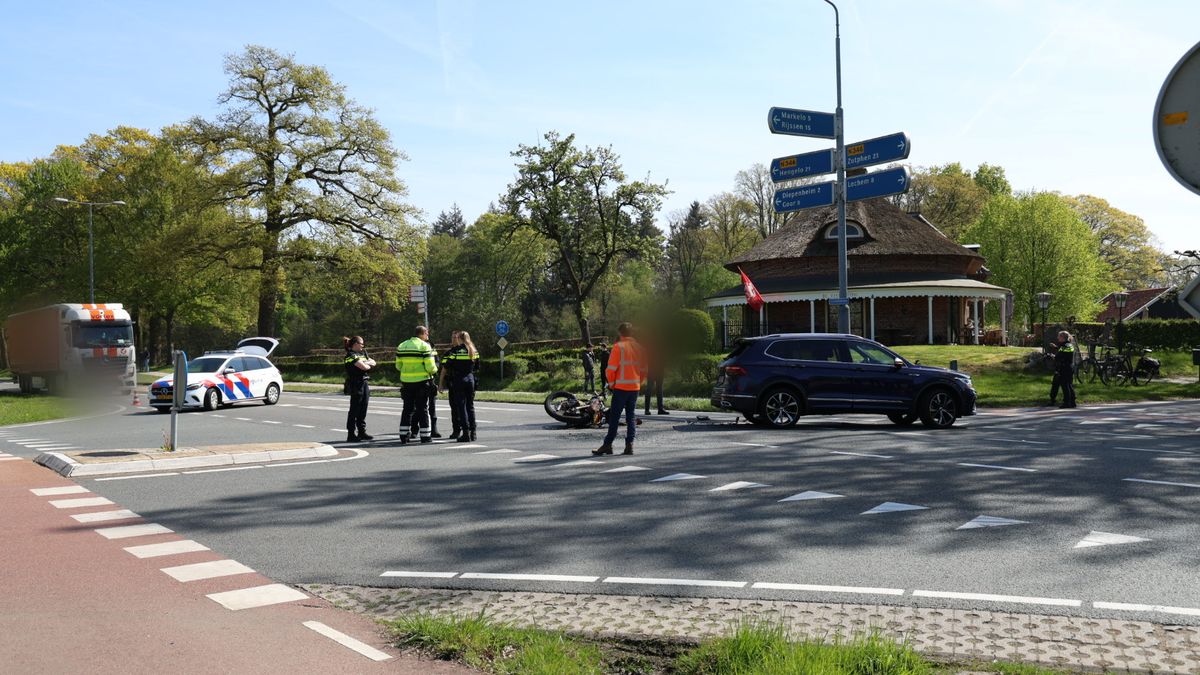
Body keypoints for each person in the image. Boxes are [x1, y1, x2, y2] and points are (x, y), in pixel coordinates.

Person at [593, 322, 645, 456]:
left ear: (620, 333)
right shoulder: (639, 348)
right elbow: (644, 369)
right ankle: (629, 446)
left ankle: (607, 445)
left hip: (620, 388)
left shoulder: (618, 347)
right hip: (634, 387)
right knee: (631, 417)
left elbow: (610, 370)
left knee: (614, 417)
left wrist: (611, 384)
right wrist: (638, 382)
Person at [395, 325, 438, 444]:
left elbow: (398, 366)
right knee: (423, 409)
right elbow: (430, 367)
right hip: (422, 382)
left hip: (406, 383)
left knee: (407, 409)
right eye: (427, 334)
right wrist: (435, 370)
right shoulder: (425, 346)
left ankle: (403, 435)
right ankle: (425, 436)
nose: (427, 336)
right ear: (423, 333)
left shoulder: (402, 345)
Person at [441, 330, 480, 442]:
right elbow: (477, 367)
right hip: (470, 380)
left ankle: (466, 433)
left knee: (461, 407)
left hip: (459, 380)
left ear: (460, 339)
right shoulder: (474, 351)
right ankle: (473, 433)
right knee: (470, 406)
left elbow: (447, 365)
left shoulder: (456, 351)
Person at [343, 335, 377, 442]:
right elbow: (365, 367)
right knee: (354, 410)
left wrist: (366, 363)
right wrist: (367, 363)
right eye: (362, 344)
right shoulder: (350, 355)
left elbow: (374, 362)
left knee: (363, 408)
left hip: (364, 383)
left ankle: (362, 432)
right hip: (356, 384)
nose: (363, 346)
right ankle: (351, 434)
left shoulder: (362, 354)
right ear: (356, 344)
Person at [1048, 330, 1077, 409]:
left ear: (1062, 337)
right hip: (1069, 367)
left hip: (1064, 368)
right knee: (1068, 384)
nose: (1057, 338)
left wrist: (1052, 356)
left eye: (1059, 336)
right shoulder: (1068, 345)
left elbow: (1059, 357)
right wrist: (1056, 348)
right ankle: (1072, 401)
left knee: (1064, 385)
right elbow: (1065, 353)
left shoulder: (1064, 346)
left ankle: (1066, 402)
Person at [642, 330, 669, 415]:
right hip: (657, 369)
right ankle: (659, 409)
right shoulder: (661, 344)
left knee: (650, 389)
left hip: (653, 369)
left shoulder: (649, 344)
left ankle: (648, 409)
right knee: (657, 389)